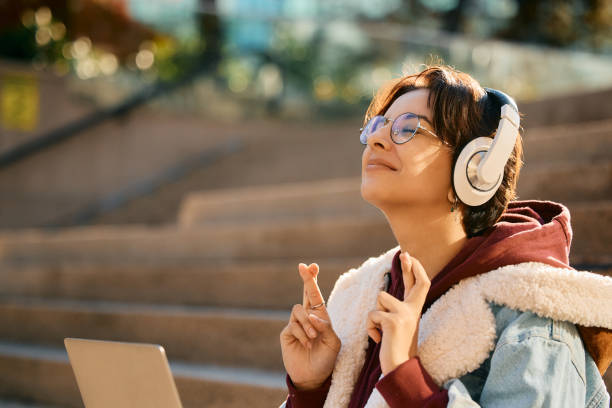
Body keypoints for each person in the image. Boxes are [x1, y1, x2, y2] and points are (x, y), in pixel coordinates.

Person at [278, 65, 612, 408]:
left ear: (476, 168)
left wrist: (407, 380)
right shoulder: (357, 297)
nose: (377, 138)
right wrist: (310, 391)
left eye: (408, 129)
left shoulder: (533, 319)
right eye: (378, 126)